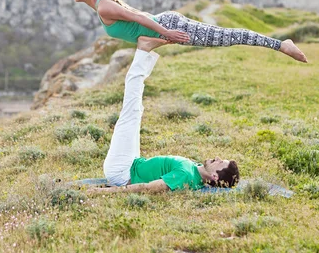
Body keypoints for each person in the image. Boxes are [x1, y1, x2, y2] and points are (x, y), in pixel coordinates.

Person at [87, 37, 240, 196]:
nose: (217, 157)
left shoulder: (185, 176)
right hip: (133, 163)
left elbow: (148, 187)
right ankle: (146, 51)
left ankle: (144, 50)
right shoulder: (196, 170)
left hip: (122, 171)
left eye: (221, 162)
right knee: (136, 110)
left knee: (131, 110)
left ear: (215, 176)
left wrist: (101, 192)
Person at [71, 0, 308, 63]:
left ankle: (281, 45)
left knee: (228, 36)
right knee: (225, 38)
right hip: (163, 26)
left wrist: (166, 33)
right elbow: (137, 15)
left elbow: (139, 18)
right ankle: (150, 42)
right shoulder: (102, 6)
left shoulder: (102, 6)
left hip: (167, 25)